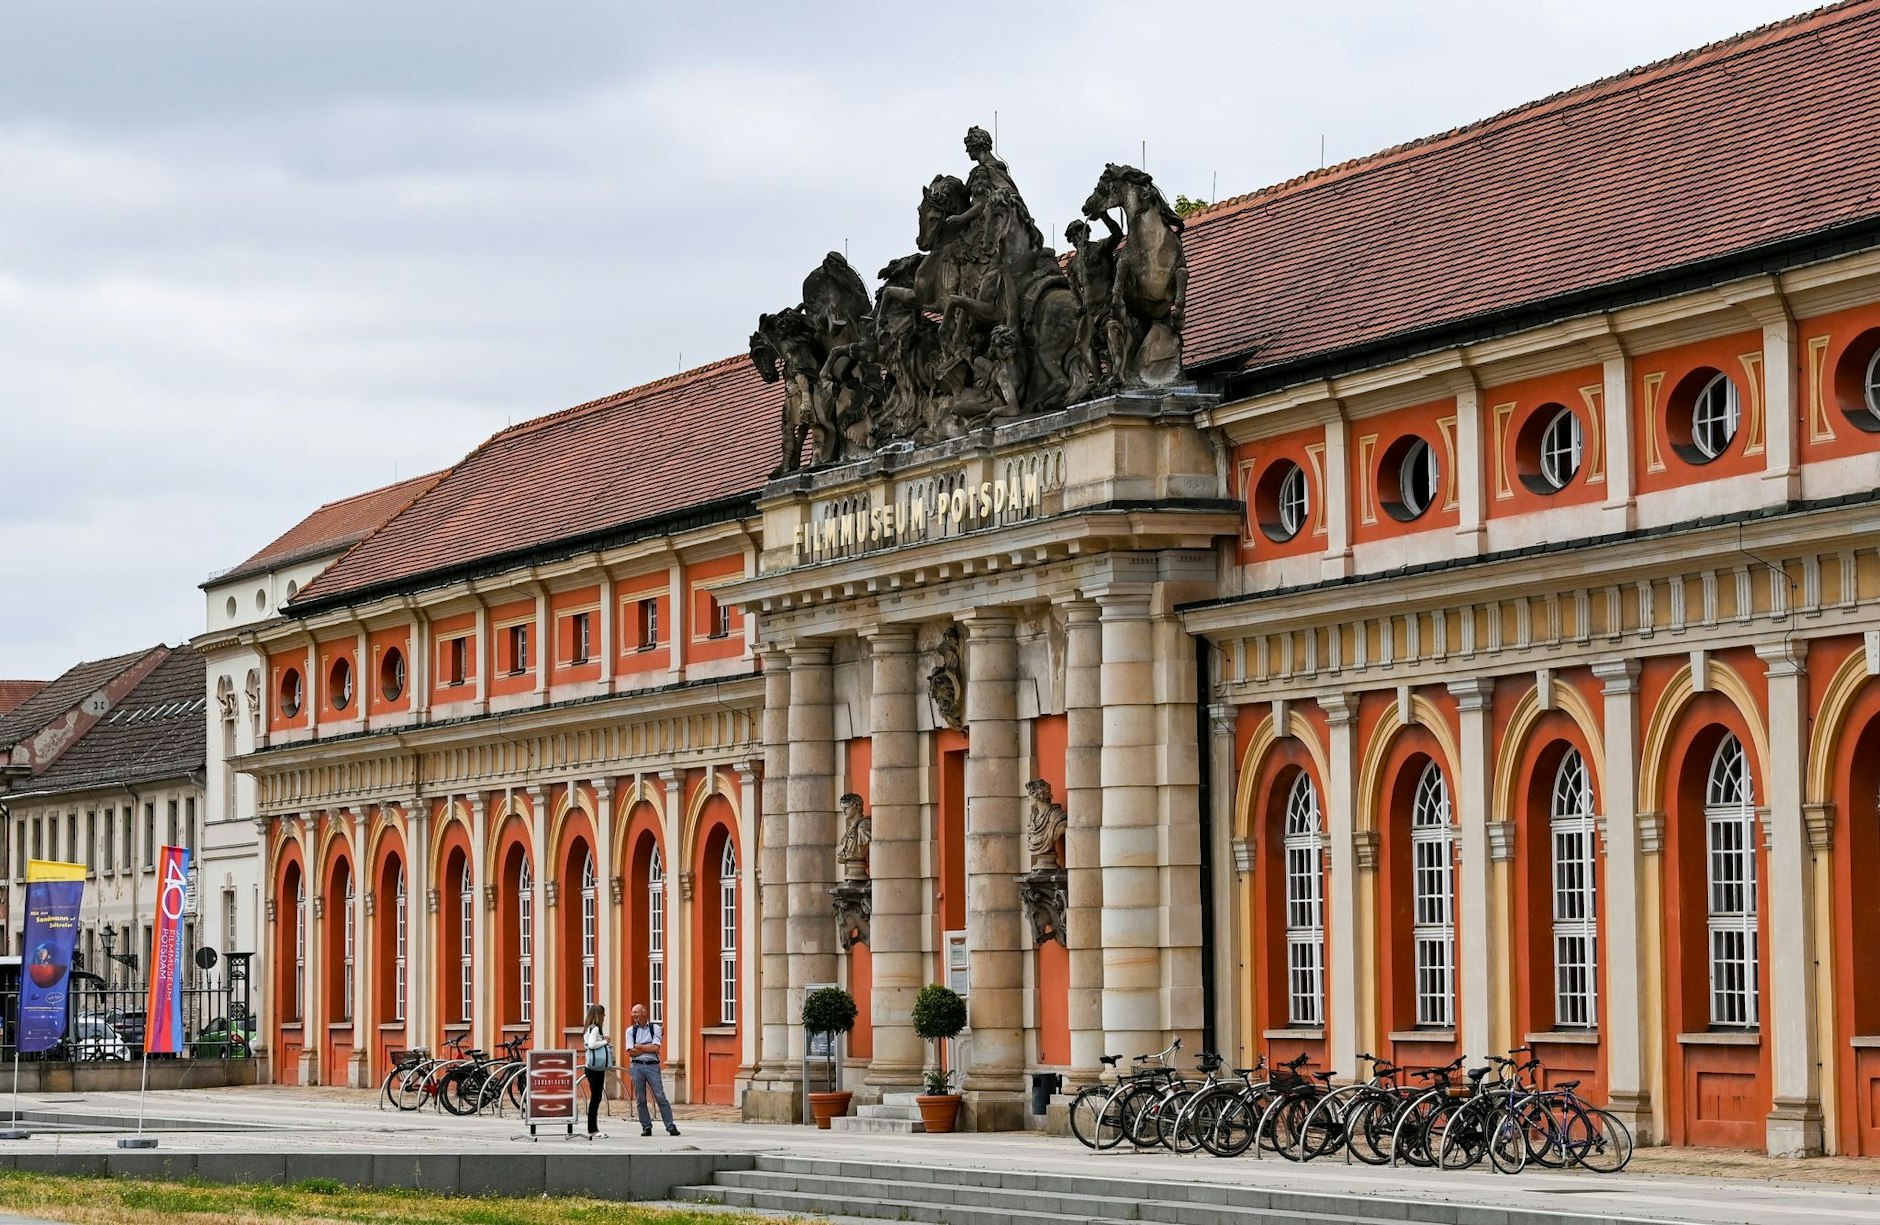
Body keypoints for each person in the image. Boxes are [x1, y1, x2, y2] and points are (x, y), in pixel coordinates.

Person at [624, 1002, 679, 1136]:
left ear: (644, 1013)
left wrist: (639, 1046)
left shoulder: (655, 1028)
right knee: (640, 1098)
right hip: (636, 1066)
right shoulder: (630, 1030)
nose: (633, 1015)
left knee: (660, 1096)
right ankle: (646, 1126)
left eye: (636, 1012)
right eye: (632, 1013)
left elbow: (656, 1048)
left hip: (652, 1066)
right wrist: (646, 1047)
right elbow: (630, 1052)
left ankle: (670, 1126)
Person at [580, 1002, 611, 1138]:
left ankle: (592, 1127)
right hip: (596, 1067)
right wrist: (605, 1041)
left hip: (589, 1066)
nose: (604, 1016)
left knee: (595, 1096)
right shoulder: (595, 1028)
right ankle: (592, 1128)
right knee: (596, 1098)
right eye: (603, 1014)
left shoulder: (588, 1028)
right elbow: (592, 1045)